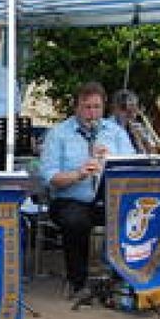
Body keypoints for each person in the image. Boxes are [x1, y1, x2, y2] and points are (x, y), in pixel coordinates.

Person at [40, 82, 136, 294]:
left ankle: (124, 276)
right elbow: (49, 177)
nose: (92, 113)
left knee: (134, 214)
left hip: (108, 197)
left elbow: (132, 165)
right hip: (69, 199)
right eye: (87, 107)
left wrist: (110, 161)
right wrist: (79, 173)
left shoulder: (115, 132)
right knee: (76, 221)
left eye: (97, 107)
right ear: (76, 108)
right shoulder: (58, 134)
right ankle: (78, 281)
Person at [109, 88, 157, 155]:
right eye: (126, 110)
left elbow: (153, 153)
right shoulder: (108, 128)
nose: (132, 115)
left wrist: (145, 140)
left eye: (134, 110)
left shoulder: (137, 127)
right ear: (115, 109)